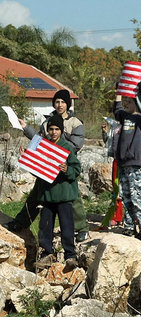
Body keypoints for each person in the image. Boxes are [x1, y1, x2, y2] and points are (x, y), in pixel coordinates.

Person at [7, 89, 90, 242]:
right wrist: (26, 128)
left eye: (63, 102)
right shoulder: (47, 122)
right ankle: (21, 222)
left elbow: (76, 145)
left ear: (68, 104)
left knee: (74, 198)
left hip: (66, 165)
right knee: (35, 195)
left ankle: (82, 228)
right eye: (57, 102)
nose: (60, 105)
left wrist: (56, 146)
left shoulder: (75, 123)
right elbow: (39, 140)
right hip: (47, 166)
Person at [33, 115, 81, 272]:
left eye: (57, 129)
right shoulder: (43, 147)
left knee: (67, 226)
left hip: (63, 195)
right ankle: (47, 254)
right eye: (51, 129)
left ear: (61, 131)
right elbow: (36, 167)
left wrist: (67, 170)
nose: (53, 132)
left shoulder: (67, 147)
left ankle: (70, 256)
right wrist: (27, 156)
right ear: (47, 130)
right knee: (45, 226)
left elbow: (76, 169)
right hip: (47, 194)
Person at [114, 81, 141, 240]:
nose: (126, 103)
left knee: (138, 197)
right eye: (125, 100)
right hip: (124, 164)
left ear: (137, 103)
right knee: (126, 198)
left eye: (129, 101)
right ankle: (130, 226)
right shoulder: (124, 117)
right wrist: (118, 92)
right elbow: (116, 109)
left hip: (137, 164)